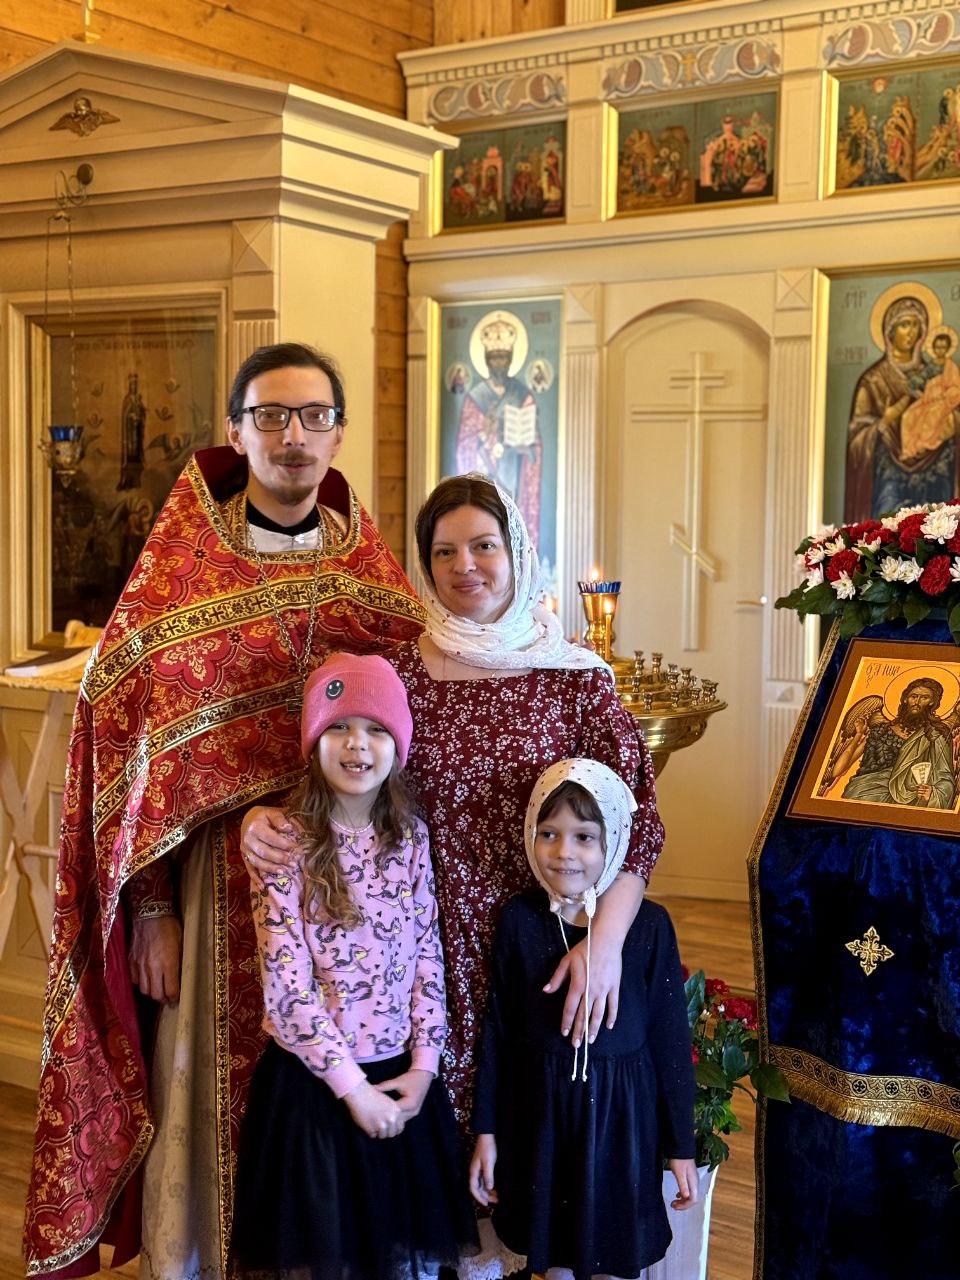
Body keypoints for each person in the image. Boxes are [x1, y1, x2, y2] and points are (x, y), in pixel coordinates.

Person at [23, 343, 424, 1280]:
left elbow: (416, 729)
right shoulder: (176, 581)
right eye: (271, 416)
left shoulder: (373, 582)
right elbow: (127, 759)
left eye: (314, 416)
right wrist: (152, 908)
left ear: (338, 433)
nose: (294, 437)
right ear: (238, 433)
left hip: (352, 906)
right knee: (209, 1110)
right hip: (213, 897)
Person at [242, 474, 664, 1147]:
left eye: (484, 545)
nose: (465, 565)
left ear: (517, 551)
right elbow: (334, 779)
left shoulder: (576, 679)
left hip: (543, 943)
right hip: (421, 954)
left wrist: (603, 944)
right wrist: (257, 819)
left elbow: (636, 827)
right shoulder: (396, 675)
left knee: (532, 1139)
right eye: (444, 551)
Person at [230, 653, 477, 1279]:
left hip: (400, 1084)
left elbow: (427, 957)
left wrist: (424, 1068)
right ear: (314, 742)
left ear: (398, 744)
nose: (357, 744)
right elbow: (288, 990)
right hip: (319, 1092)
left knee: (400, 1260)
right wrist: (353, 1091)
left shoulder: (411, 838)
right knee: (328, 1261)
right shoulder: (284, 845)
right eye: (338, 727)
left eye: (375, 729)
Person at [469, 759, 696, 1280]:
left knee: (613, 1255)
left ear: (612, 841)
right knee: (551, 1260)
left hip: (621, 1124)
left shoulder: (648, 926)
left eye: (584, 837)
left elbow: (669, 1038)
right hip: (540, 1121)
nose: (563, 852)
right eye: (548, 833)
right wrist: (487, 1131)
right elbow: (498, 1033)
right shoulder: (519, 920)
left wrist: (680, 1145)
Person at [845, 295, 960, 521]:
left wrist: (951, 422)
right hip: (889, 477)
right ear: (889, 332)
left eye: (916, 325)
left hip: (936, 473)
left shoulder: (936, 375)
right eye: (905, 324)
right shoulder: (873, 381)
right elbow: (857, 437)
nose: (911, 332)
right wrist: (884, 422)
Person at [455, 318, 543, 548]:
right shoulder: (476, 397)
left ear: (511, 360)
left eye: (503, 357)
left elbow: (535, 447)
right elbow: (464, 445)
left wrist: (527, 448)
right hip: (486, 474)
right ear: (487, 360)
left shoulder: (522, 395)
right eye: (494, 358)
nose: (499, 364)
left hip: (513, 474)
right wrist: (484, 433)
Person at [840, 677, 957, 808]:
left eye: (924, 697)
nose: (917, 701)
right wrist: (858, 735)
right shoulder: (881, 730)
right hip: (860, 793)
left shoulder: (935, 735)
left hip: (906, 801)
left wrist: (933, 793)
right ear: (905, 699)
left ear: (932, 703)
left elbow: (944, 777)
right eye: (914, 696)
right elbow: (837, 771)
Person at [900, 327, 960, 461]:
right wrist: (909, 381)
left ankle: (922, 444)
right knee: (908, 415)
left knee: (931, 415)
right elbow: (922, 377)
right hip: (927, 400)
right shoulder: (931, 365)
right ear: (933, 348)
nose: (940, 351)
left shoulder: (951, 367)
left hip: (943, 401)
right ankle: (908, 450)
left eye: (943, 348)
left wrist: (944, 394)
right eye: (937, 347)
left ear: (948, 349)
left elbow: (957, 388)